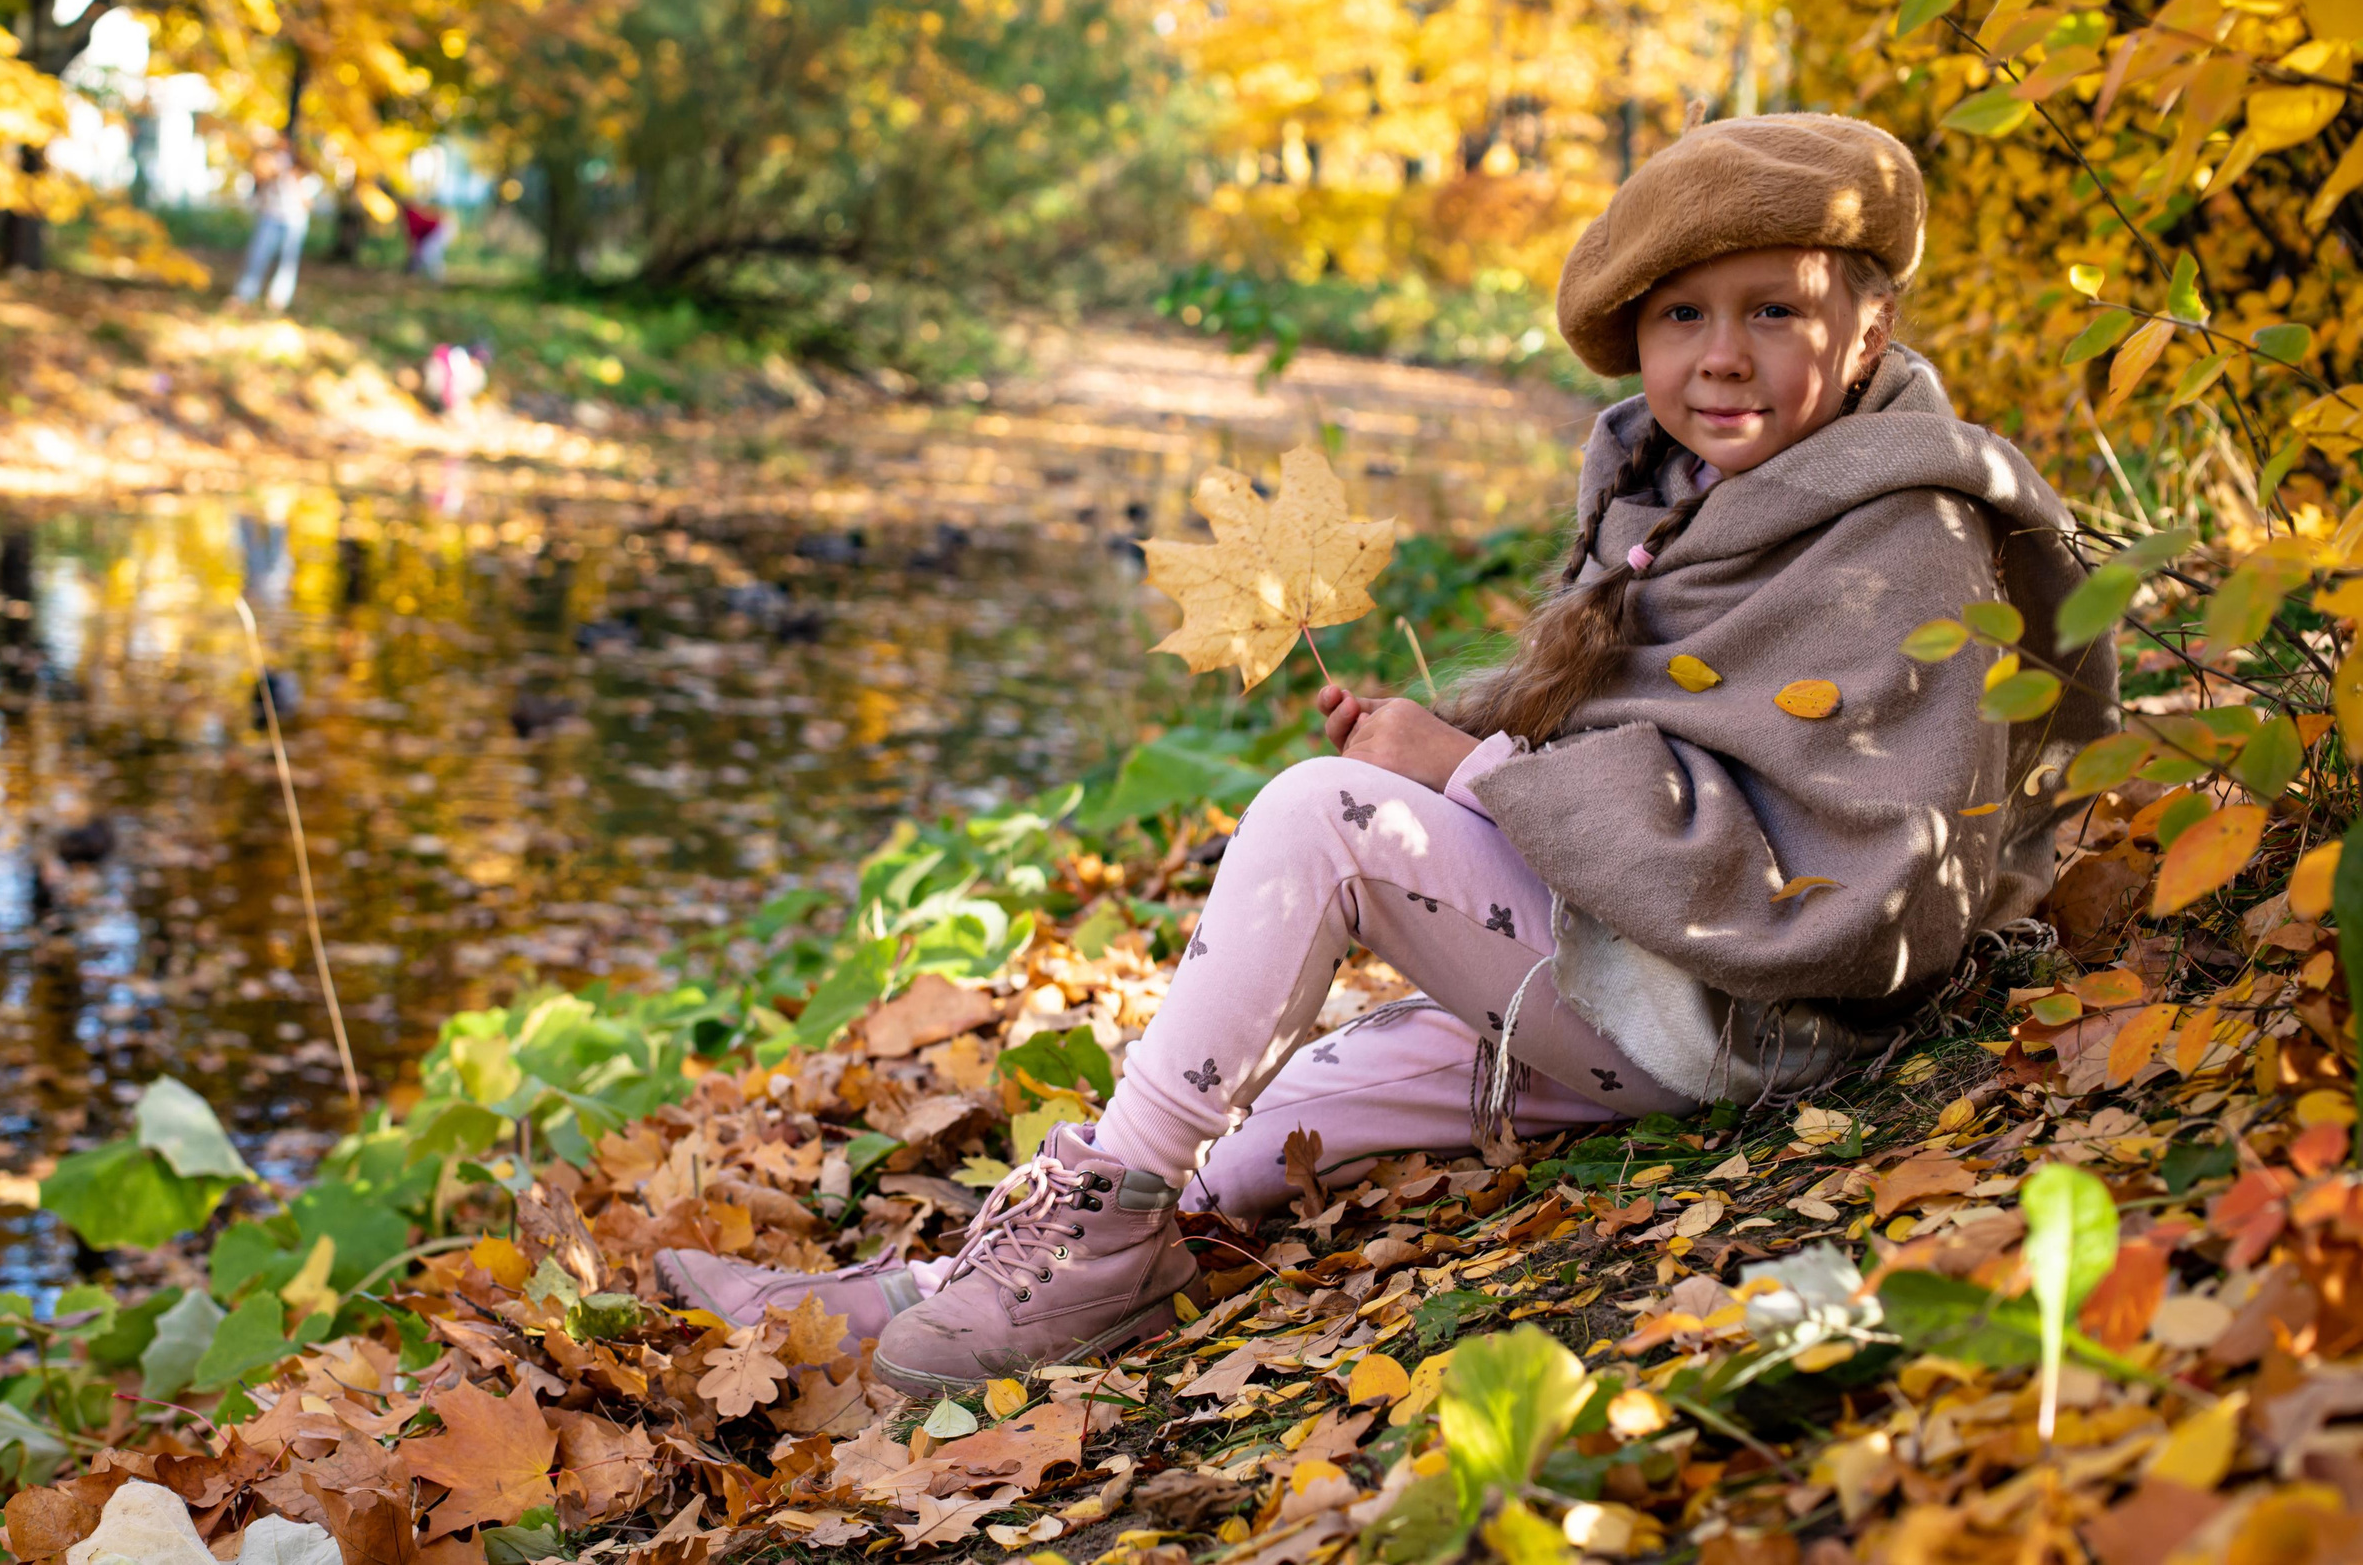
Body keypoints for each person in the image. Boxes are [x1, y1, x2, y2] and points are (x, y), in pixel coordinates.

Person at [655, 113, 2120, 1393]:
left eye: (1773, 313)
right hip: (1643, 966)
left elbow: (1859, 881)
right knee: (1248, 1130)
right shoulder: (1688, 495)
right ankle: (918, 1295)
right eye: (1683, 317)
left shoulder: (1905, 543)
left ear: (1867, 325)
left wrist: (1468, 776)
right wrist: (1473, 724)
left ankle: (1083, 1247)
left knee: (1324, 816)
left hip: (1748, 1012)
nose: (1721, 356)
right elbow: (1657, 712)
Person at [232, 143, 319, 311]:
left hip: (294, 220)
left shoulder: (304, 174)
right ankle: (244, 295)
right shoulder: (267, 164)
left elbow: (308, 202)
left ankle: (278, 300)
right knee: (257, 255)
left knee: (288, 261)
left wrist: (292, 180)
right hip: (269, 217)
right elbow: (256, 193)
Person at [400, 198, 454, 280]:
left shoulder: (411, 216)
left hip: (439, 229)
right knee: (426, 253)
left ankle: (437, 278)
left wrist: (413, 253)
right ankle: (430, 277)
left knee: (429, 254)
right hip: (438, 229)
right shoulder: (412, 214)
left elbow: (414, 238)